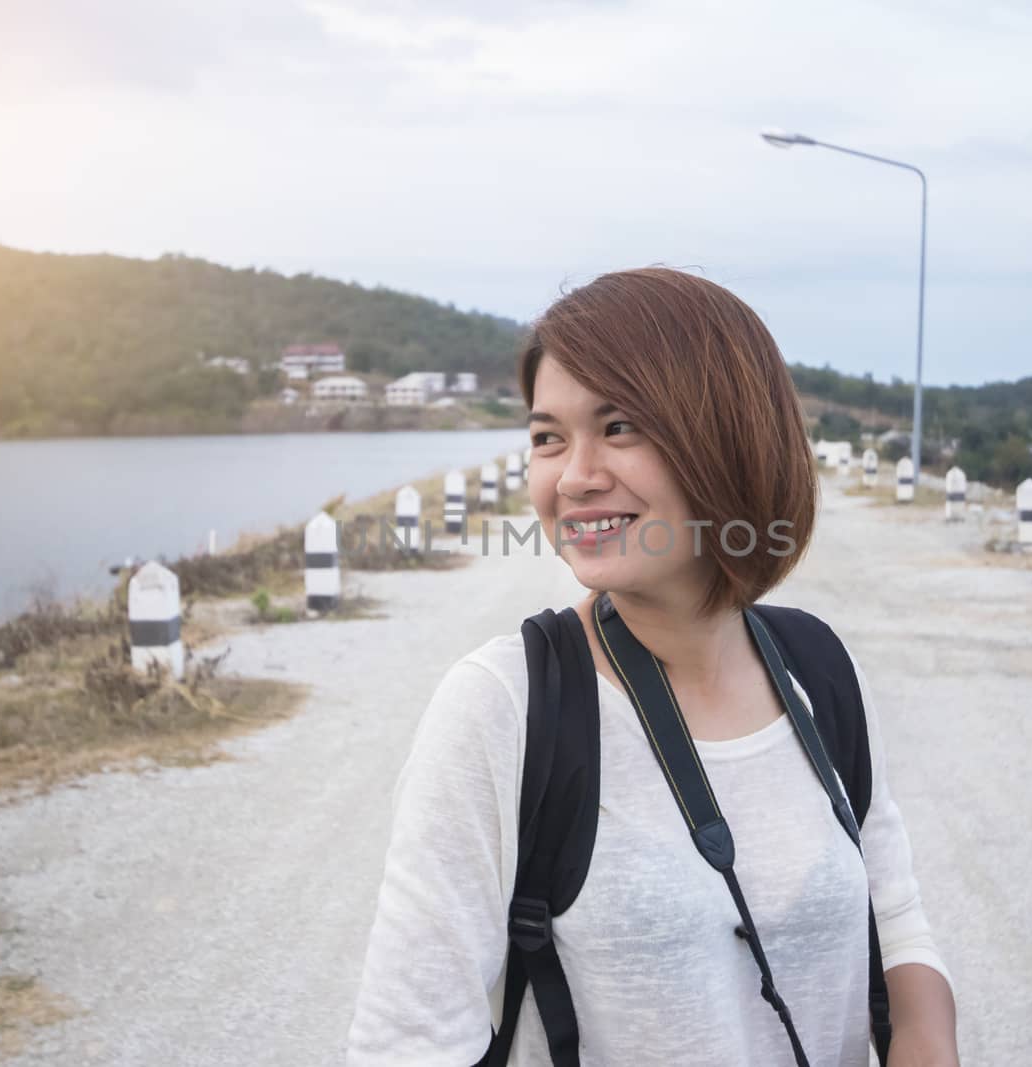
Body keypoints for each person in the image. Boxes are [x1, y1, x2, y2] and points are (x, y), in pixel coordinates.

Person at [347, 268, 958, 1065]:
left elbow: (897, 923)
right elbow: (408, 1044)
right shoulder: (505, 706)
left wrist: (925, 1039)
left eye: (621, 425)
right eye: (547, 436)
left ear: (729, 435)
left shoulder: (818, 669)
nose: (574, 476)